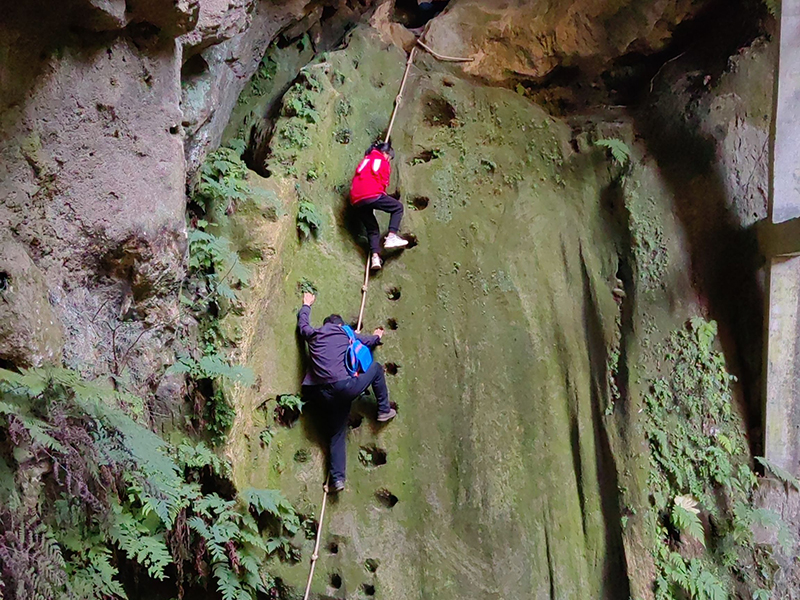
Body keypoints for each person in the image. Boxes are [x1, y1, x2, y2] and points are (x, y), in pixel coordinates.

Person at [298, 292, 397, 492]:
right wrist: (377, 337)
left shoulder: (314, 334)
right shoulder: (345, 333)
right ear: (340, 325)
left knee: (337, 433)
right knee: (376, 369)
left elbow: (302, 326)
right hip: (344, 388)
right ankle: (383, 410)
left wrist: (306, 304)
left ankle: (337, 480)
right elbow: (365, 342)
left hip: (321, 394)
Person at [350, 141, 408, 271]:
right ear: (385, 153)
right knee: (397, 207)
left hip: (356, 200)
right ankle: (392, 236)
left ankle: (375, 257)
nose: (389, 160)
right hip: (371, 194)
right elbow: (383, 180)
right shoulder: (382, 161)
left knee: (372, 228)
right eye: (389, 157)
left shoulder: (365, 160)